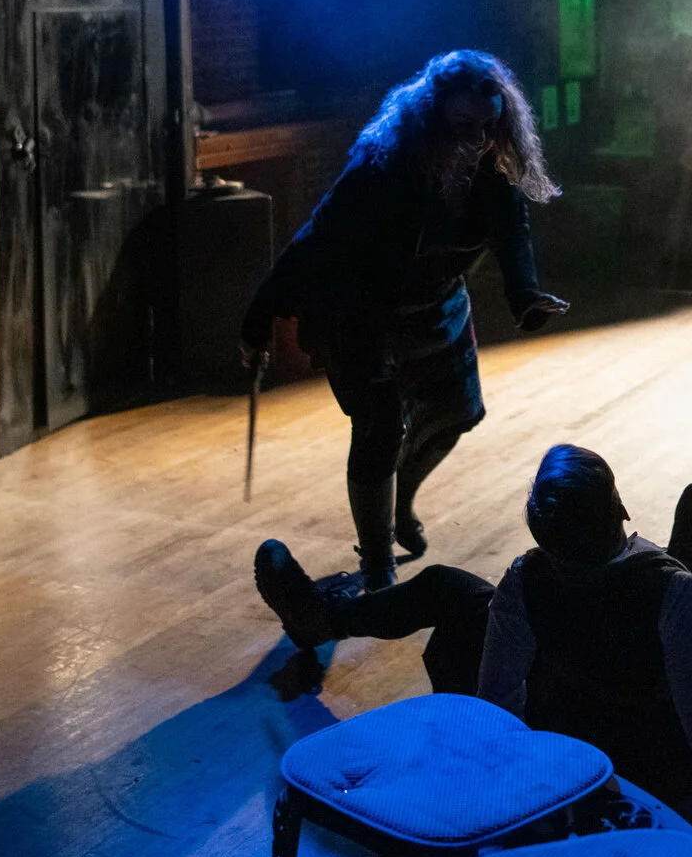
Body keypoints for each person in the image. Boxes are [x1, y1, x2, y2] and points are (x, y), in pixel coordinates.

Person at [253, 446, 692, 842]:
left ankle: (322, 619)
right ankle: (663, 566)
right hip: (664, 783)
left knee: (447, 589)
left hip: (575, 746)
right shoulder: (672, 596)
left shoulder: (526, 579)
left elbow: (498, 718)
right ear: (621, 508)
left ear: (542, 537)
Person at [242, 50, 569, 589]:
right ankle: (378, 566)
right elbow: (316, 238)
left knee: (456, 414)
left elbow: (512, 233)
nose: (478, 140)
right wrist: (260, 317)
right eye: (463, 126)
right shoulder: (384, 167)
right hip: (361, 313)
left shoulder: (491, 167)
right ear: (432, 118)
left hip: (438, 306)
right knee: (380, 428)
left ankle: (399, 503)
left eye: (489, 126)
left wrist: (525, 296)